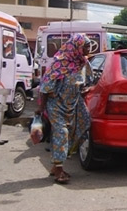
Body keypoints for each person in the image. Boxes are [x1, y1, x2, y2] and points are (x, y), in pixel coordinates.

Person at [35, 33, 93, 184]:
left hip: (74, 102)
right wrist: (41, 108)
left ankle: (57, 162)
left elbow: (86, 81)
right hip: (56, 103)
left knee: (84, 122)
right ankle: (59, 169)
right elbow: (45, 87)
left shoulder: (83, 62)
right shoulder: (59, 63)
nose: (89, 48)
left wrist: (84, 89)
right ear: (77, 47)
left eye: (89, 46)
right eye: (86, 46)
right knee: (62, 132)